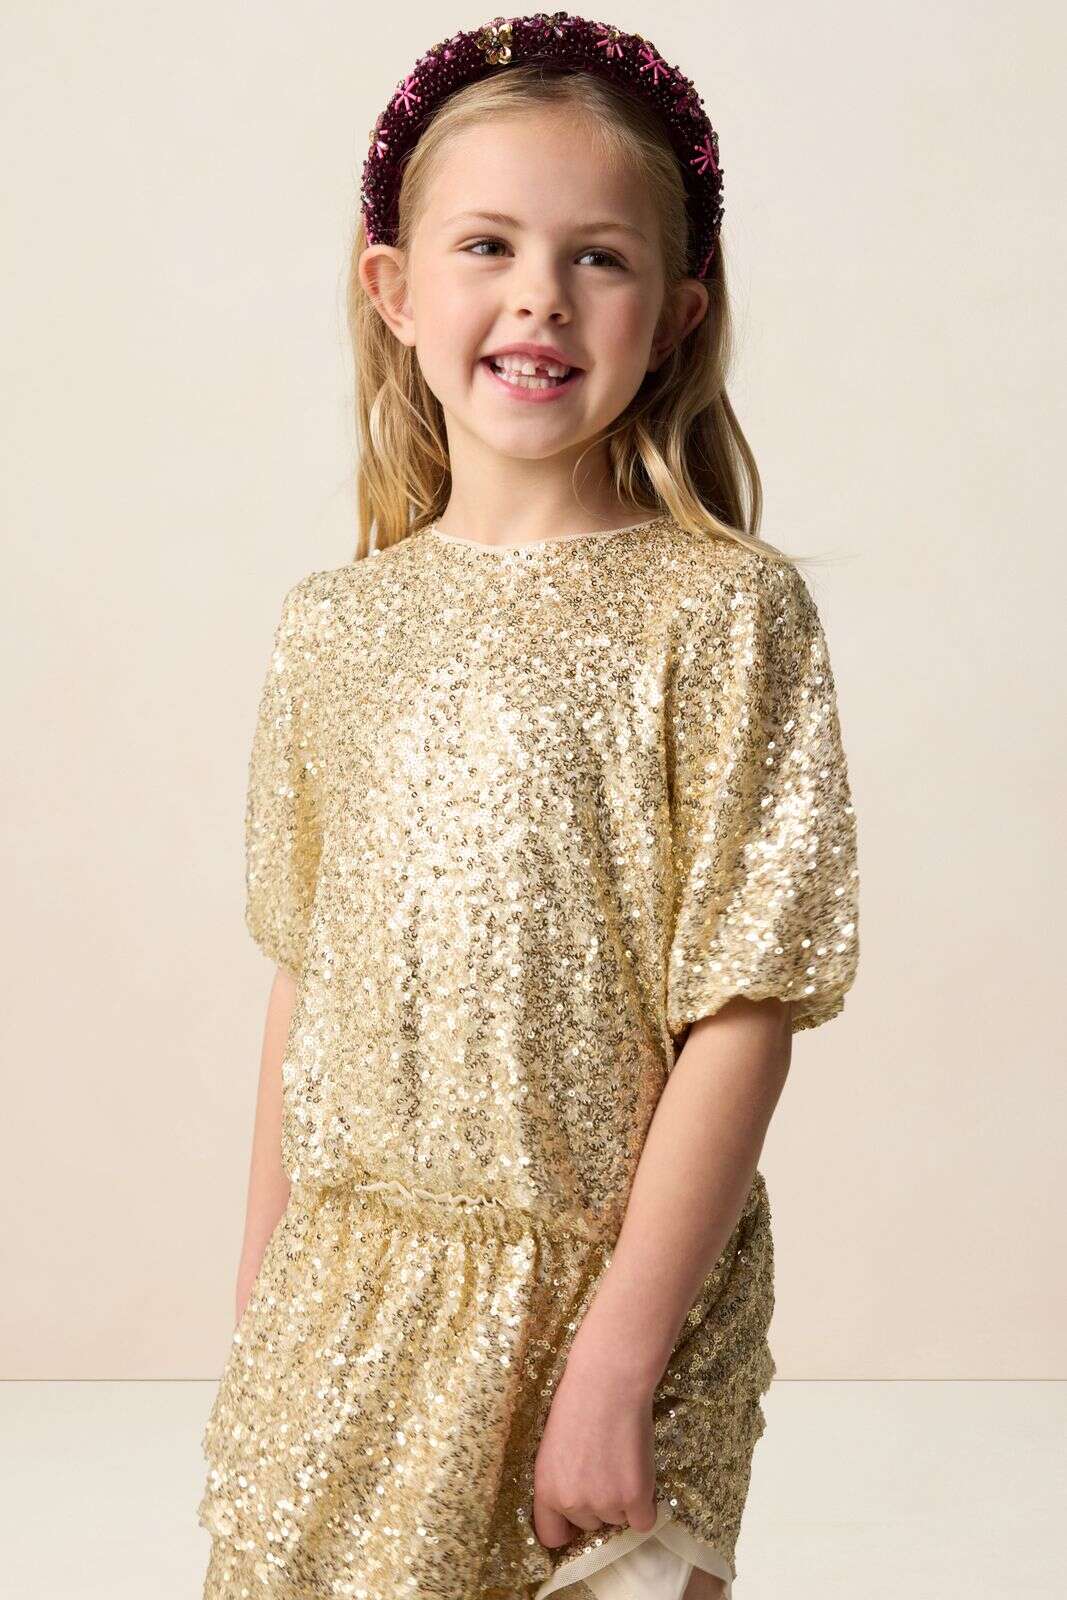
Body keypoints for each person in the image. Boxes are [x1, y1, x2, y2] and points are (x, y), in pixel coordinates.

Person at [196, 13, 861, 1600]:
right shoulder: (334, 627)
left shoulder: (721, 613)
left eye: (598, 258)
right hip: (354, 1306)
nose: (539, 296)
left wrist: (618, 1361)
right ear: (394, 288)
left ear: (676, 315)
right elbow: (304, 983)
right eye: (487, 244)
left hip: (614, 1306)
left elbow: (745, 1004)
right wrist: (263, 1317)